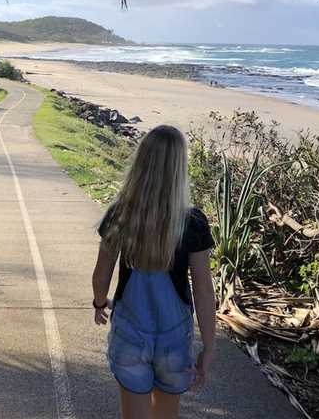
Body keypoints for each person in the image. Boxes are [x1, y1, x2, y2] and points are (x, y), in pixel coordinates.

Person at [91, 125, 215, 419]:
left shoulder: (120, 214)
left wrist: (99, 303)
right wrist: (208, 347)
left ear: (140, 163)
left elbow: (101, 274)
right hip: (174, 338)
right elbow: (203, 290)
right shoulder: (193, 223)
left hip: (130, 331)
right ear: (179, 169)